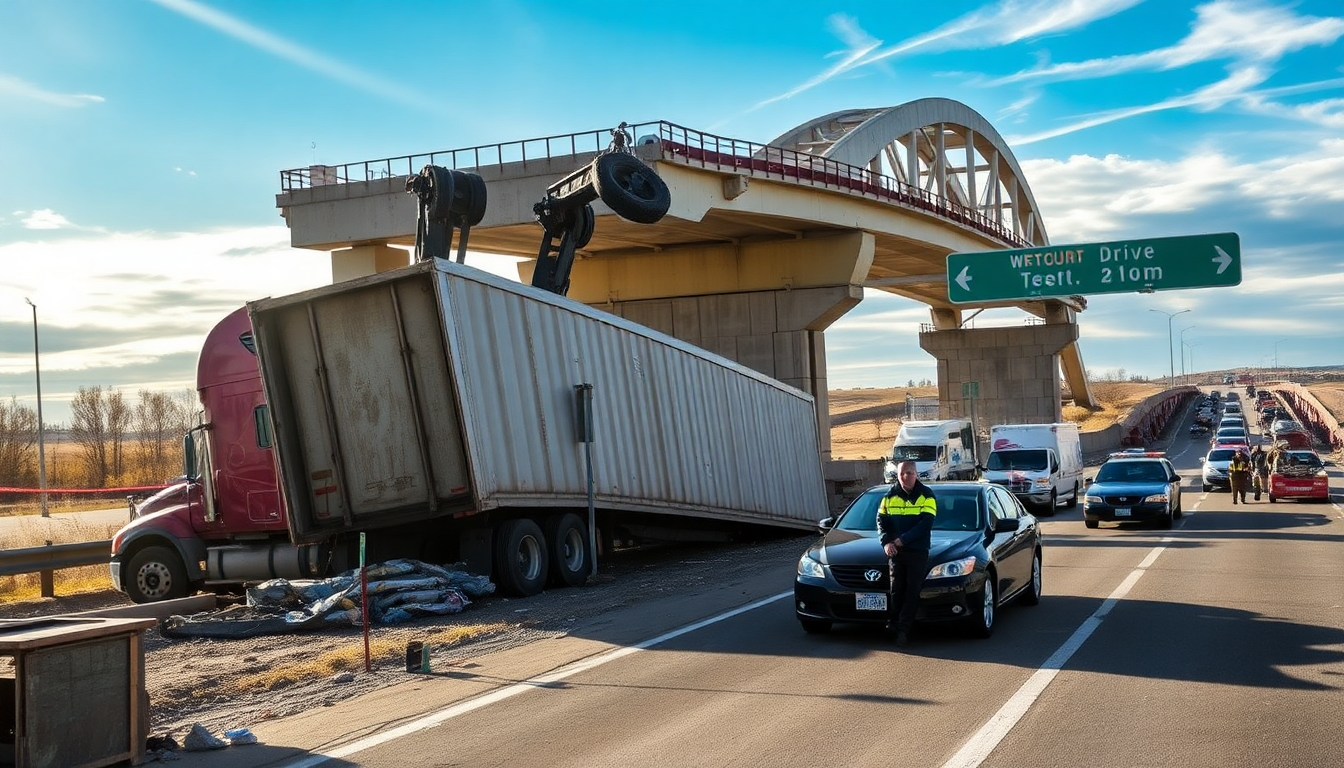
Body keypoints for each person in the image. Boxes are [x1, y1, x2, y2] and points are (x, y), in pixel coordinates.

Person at [877, 460, 937, 647]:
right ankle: (893, 624)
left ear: (916, 474)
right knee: (897, 590)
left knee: (912, 590)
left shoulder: (927, 495)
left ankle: (903, 629)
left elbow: (925, 524)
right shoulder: (889, 496)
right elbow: (881, 521)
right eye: (901, 473)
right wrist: (886, 542)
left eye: (909, 473)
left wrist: (903, 540)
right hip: (896, 551)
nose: (905, 477)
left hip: (917, 551)